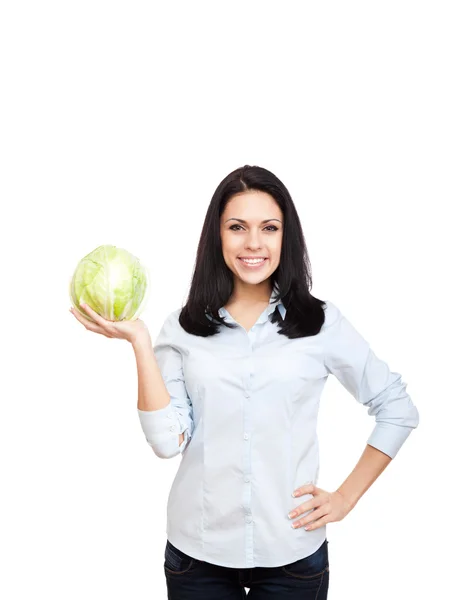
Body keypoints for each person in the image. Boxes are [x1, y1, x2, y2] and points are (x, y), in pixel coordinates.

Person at [70, 165, 420, 599]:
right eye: (237, 227)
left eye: (268, 228)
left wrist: (346, 498)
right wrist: (139, 342)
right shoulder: (181, 328)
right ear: (217, 236)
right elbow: (166, 442)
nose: (253, 243)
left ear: (284, 239)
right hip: (197, 556)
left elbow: (397, 408)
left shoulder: (320, 324)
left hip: (292, 554)